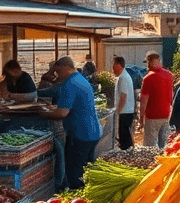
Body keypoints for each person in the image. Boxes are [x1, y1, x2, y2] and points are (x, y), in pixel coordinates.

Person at [39, 57, 102, 190]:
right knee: (86, 172)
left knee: (75, 175)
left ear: (64, 68)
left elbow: (62, 113)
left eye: (57, 71)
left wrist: (42, 112)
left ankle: (78, 200)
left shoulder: (70, 84)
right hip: (92, 133)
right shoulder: (80, 79)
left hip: (80, 134)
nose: (57, 75)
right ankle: (87, 199)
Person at [139, 52, 173, 149]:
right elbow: (171, 96)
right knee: (164, 145)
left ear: (149, 62)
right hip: (166, 114)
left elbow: (144, 100)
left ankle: (152, 163)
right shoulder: (169, 75)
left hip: (152, 116)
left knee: (150, 146)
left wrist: (141, 118)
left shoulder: (148, 78)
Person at [111, 56, 135, 150]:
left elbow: (123, 96)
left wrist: (118, 112)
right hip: (126, 111)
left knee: (124, 136)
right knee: (125, 135)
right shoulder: (123, 76)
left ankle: (126, 152)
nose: (112, 67)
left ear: (118, 65)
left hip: (124, 111)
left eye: (113, 64)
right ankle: (128, 151)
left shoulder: (123, 78)